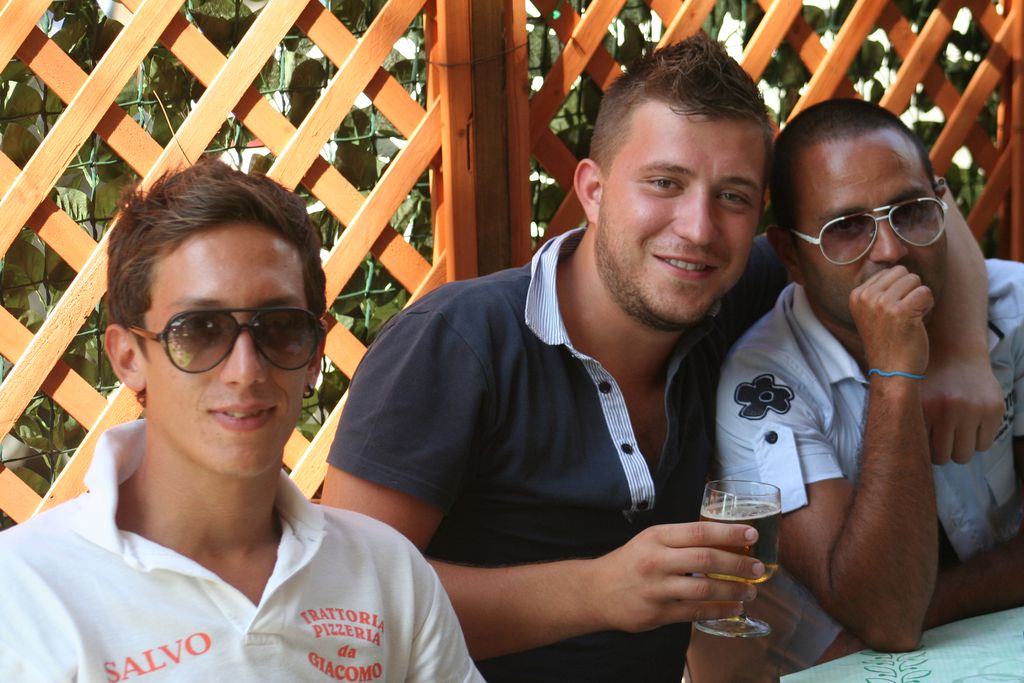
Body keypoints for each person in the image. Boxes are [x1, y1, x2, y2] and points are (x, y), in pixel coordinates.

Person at [322, 36, 1000, 683]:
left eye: (732, 196)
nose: (698, 229)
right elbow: (345, 604)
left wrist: (961, 353)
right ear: (592, 190)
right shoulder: (455, 344)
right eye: (665, 183)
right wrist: (596, 590)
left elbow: (920, 215)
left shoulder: (723, 296)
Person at [0, 160, 483, 683]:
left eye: (280, 327)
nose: (245, 370)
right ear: (127, 357)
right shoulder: (25, 594)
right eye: (199, 329)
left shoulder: (385, 571)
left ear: (314, 354)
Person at [693, 98, 1024, 681]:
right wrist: (895, 378)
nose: (892, 250)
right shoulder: (763, 389)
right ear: (791, 255)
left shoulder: (1014, 312)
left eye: (911, 212)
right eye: (845, 229)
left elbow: (888, 619)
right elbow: (888, 616)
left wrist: (927, 608)